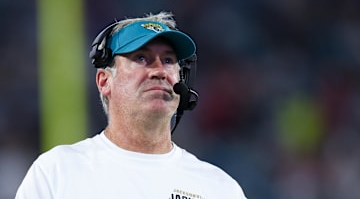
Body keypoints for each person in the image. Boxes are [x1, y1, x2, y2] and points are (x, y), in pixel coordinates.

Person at [15, 11, 247, 199]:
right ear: (105, 81)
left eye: (168, 60)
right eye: (141, 58)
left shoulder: (219, 188)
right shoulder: (57, 171)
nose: (159, 71)